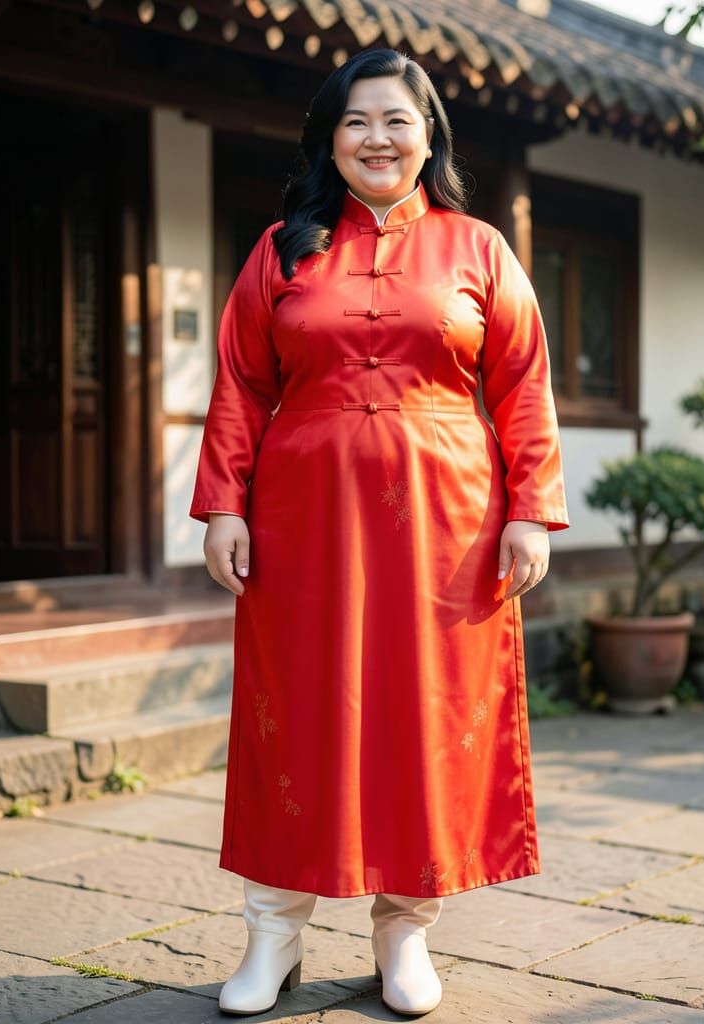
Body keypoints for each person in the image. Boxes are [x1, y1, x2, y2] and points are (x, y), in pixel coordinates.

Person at [189, 47, 568, 1017]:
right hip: (302, 521)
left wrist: (530, 510)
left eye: (396, 120)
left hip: (445, 527)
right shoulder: (282, 249)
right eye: (356, 122)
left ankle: (406, 928)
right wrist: (223, 503)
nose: (376, 139)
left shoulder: (479, 249)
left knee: (422, 713)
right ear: (330, 138)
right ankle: (272, 932)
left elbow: (523, 385)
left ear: (428, 133)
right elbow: (239, 382)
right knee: (295, 714)